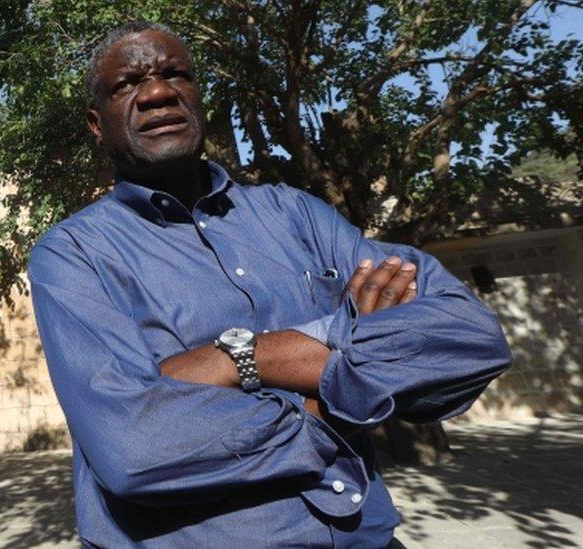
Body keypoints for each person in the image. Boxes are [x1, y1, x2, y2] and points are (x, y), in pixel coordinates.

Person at [27, 21, 511, 548]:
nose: (158, 93)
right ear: (97, 126)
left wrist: (246, 358)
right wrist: (339, 390)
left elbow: (470, 336)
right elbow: (136, 448)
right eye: (127, 84)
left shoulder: (298, 215)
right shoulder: (74, 255)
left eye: (175, 75)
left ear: (197, 96)